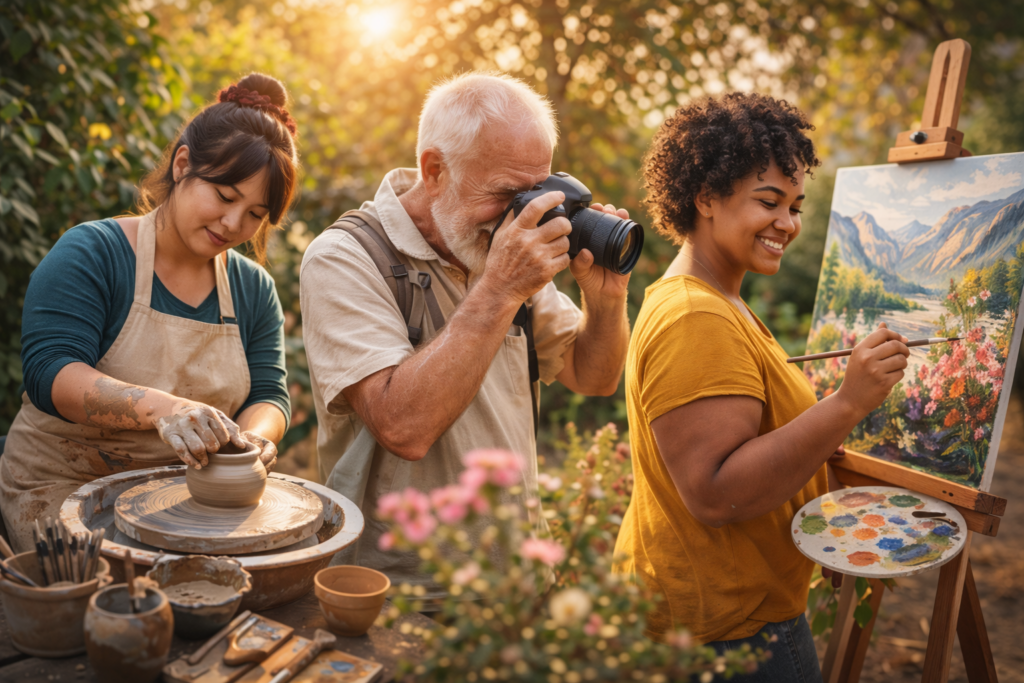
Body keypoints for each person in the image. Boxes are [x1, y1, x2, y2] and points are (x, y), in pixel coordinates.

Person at [300, 72, 631, 601]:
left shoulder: (498, 248)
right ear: (434, 170)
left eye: (533, 190)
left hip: (520, 587)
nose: (521, 213)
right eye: (504, 192)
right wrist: (500, 288)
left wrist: (607, 299)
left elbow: (595, 376)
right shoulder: (346, 257)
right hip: (404, 597)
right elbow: (403, 427)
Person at [612, 93, 909, 680]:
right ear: (705, 198)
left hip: (728, 617)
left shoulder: (718, 299)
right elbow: (717, 493)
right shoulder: (696, 316)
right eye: (769, 202)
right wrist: (847, 402)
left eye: (796, 205)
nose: (788, 224)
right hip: (730, 637)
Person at [0, 73, 299, 553]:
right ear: (183, 165)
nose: (233, 223)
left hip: (183, 498)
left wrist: (252, 440)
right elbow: (49, 371)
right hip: (63, 488)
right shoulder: (92, 252)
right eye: (224, 197)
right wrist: (168, 410)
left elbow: (269, 395)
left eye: (254, 214)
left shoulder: (252, 289)